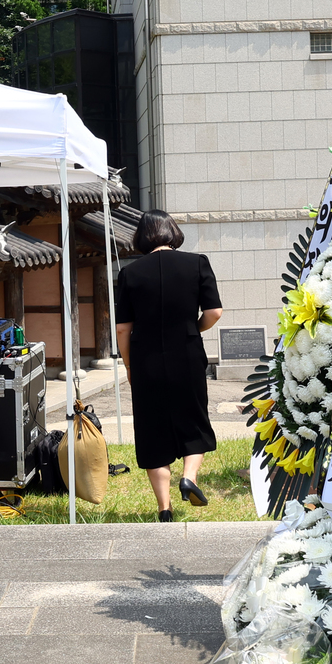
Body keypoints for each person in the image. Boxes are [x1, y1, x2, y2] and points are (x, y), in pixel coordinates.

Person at [114, 210, 223, 521]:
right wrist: (191, 328)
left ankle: (164, 509)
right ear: (172, 232)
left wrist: (129, 365)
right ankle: (189, 478)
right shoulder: (197, 263)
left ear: (142, 237)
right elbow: (214, 313)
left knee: (152, 430)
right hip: (186, 354)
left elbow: (123, 328)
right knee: (193, 418)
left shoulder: (129, 273)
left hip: (145, 359)